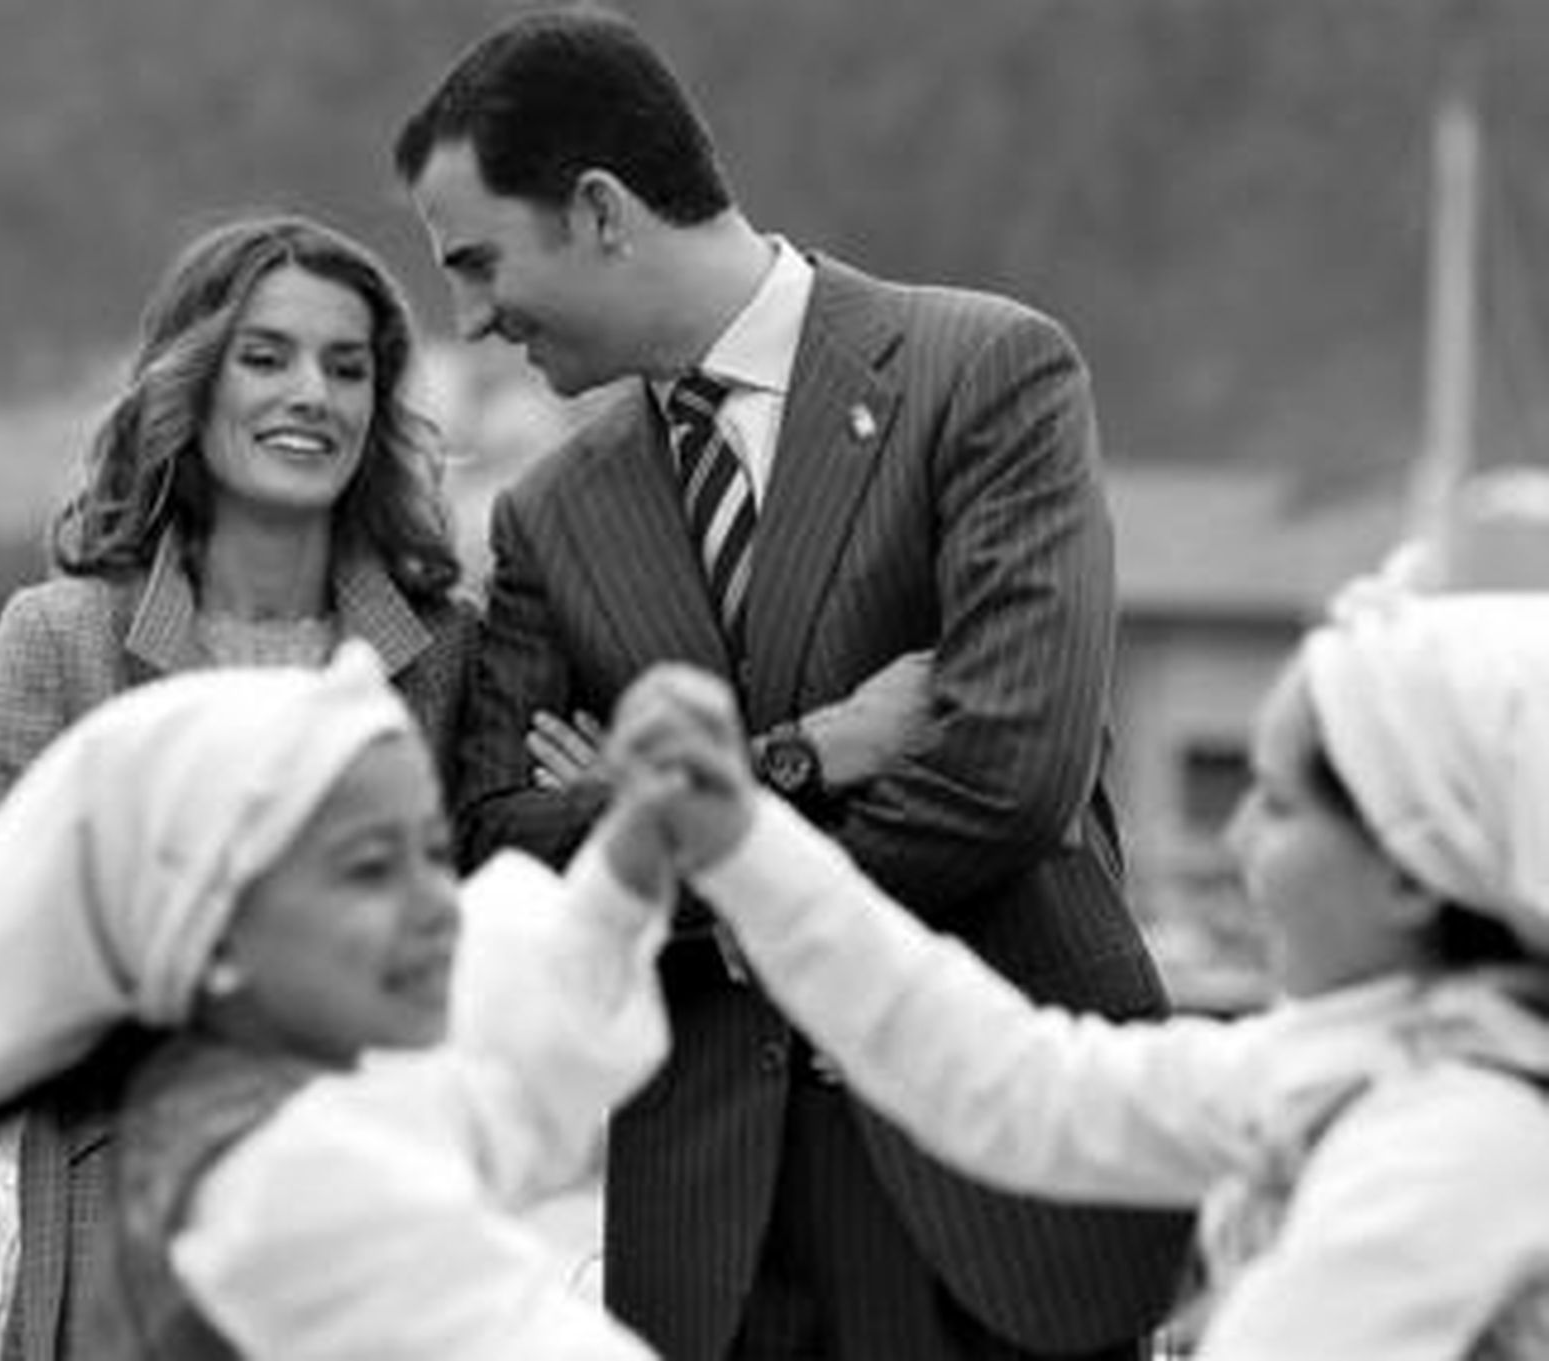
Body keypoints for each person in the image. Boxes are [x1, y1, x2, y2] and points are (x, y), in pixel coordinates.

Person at [393, 8, 1189, 1359]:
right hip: (716, 1243)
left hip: (1006, 1198)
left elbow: (1009, 774)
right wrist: (804, 758)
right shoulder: (546, 517)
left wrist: (662, 841)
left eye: (478, 262)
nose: (468, 323)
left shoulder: (988, 374)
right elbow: (501, 848)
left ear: (597, 210)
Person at [603, 592, 1549, 1360]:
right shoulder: (1370, 1064)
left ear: (1410, 868)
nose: (1240, 835)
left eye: (1281, 802)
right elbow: (1020, 1086)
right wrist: (743, 843)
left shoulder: (1455, 1145)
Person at [0, 212, 482, 1359]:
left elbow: (473, 928)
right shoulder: (61, 634)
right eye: (267, 356)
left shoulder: (445, 655)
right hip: (126, 1233)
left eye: (349, 368)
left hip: (375, 1229)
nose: (313, 394)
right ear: (191, 383)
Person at [0, 643, 671, 1359]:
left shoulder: (252, 1096)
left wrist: (622, 878)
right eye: (369, 869)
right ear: (214, 935)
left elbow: (475, 1079)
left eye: (433, 853)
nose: (437, 904)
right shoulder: (285, 1180)